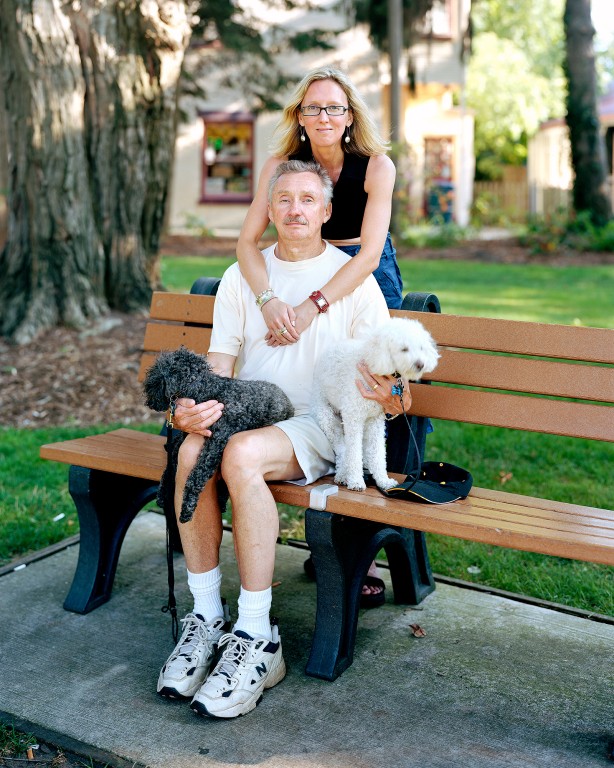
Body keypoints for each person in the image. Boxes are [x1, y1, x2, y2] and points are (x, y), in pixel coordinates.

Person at [157, 160, 413, 719]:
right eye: (284, 200)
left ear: (325, 211)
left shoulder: (355, 281)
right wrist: (192, 407)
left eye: (307, 200)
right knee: (195, 447)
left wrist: (393, 393)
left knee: (241, 454)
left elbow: (388, 380)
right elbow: (220, 360)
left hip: (318, 423)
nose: (295, 210)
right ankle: (204, 619)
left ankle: (256, 637)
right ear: (269, 210)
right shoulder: (242, 278)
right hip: (248, 412)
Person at [237, 66, 403, 601]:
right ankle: (318, 520)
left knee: (370, 398)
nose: (323, 117)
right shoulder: (279, 169)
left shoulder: (377, 166)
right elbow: (247, 245)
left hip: (360, 272)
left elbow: (371, 255)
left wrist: (312, 306)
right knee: (312, 394)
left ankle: (365, 553)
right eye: (313, 108)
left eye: (334, 107)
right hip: (295, 268)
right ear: (300, 117)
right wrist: (268, 300)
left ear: (349, 115)